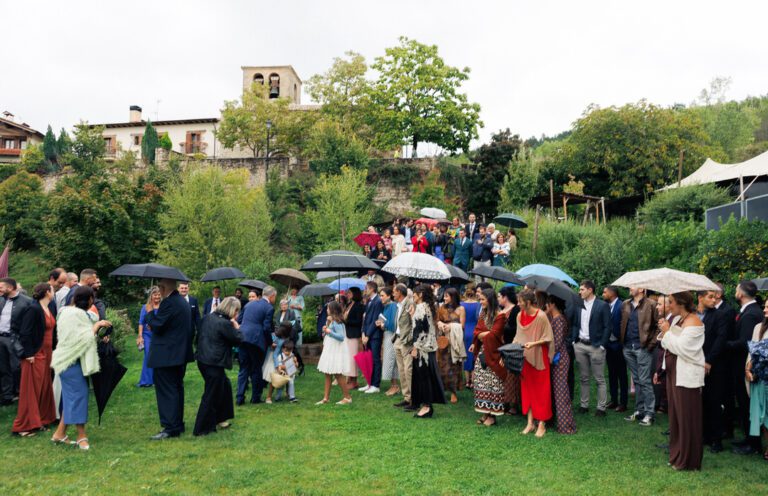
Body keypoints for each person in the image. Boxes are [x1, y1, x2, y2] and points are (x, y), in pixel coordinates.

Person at [50, 286, 111, 450]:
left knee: (72, 397)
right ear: (90, 300)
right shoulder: (70, 315)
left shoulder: (71, 313)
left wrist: (98, 329)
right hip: (70, 362)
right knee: (79, 396)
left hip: (75, 361)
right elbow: (81, 340)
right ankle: (81, 436)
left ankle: (59, 434)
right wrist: (96, 327)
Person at [657, 291, 705, 471]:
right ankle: (677, 454)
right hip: (673, 373)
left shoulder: (694, 322)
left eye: (670, 302)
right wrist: (666, 331)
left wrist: (668, 333)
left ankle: (689, 460)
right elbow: (665, 343)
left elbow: (683, 349)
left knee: (687, 418)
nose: (668, 306)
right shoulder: (678, 320)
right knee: (676, 417)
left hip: (686, 376)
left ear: (681, 303)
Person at [145, 278, 194, 440]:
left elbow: (158, 325)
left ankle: (170, 427)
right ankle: (177, 424)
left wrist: (150, 312)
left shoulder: (170, 303)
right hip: (179, 354)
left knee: (167, 391)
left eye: (159, 286)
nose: (158, 289)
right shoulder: (182, 302)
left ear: (164, 287)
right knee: (176, 389)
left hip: (167, 355)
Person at [12, 283, 57, 437]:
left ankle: (41, 419)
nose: (54, 292)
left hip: (47, 352)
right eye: (52, 290)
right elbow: (25, 332)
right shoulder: (33, 308)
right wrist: (29, 353)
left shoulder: (49, 308)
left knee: (44, 386)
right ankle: (24, 426)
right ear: (47, 292)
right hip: (35, 353)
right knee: (31, 388)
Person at [193, 296, 242, 436]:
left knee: (224, 386)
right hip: (214, 362)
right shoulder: (224, 324)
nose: (237, 314)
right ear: (232, 309)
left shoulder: (208, 317)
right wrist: (237, 327)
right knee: (211, 394)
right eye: (237, 311)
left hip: (203, 360)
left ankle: (221, 418)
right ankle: (201, 428)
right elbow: (238, 339)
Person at [728, 280, 764, 455]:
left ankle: (753, 443)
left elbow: (744, 343)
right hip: (742, 364)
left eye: (736, 290)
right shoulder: (750, 311)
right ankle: (748, 438)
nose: (735, 293)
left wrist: (724, 344)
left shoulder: (751, 314)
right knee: (744, 404)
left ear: (741, 294)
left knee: (747, 403)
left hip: (745, 366)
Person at [515, 289, 555, 437]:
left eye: (520, 301)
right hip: (525, 358)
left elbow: (548, 337)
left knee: (541, 391)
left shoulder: (542, 316)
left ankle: (542, 424)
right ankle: (530, 423)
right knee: (527, 390)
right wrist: (510, 348)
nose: (518, 304)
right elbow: (518, 336)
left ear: (528, 302)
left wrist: (534, 343)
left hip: (539, 357)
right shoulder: (520, 315)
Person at [571, 280, 611, 416]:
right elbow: (575, 323)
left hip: (596, 346)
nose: (580, 292)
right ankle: (584, 405)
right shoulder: (578, 304)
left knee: (599, 378)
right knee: (583, 377)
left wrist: (602, 345)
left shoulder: (602, 305)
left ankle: (601, 408)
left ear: (590, 290)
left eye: (582, 289)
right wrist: (574, 341)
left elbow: (607, 326)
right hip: (580, 345)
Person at [620, 287, 659, 426]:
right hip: (628, 347)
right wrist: (623, 343)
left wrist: (650, 345)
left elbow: (658, 326)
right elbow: (622, 324)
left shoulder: (652, 304)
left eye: (633, 285)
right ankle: (639, 411)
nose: (630, 287)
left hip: (643, 348)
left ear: (641, 289)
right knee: (636, 380)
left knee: (644, 381)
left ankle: (649, 413)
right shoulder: (625, 304)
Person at [471, 288, 508, 425]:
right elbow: (477, 331)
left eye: (482, 299)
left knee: (493, 384)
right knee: (482, 383)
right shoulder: (483, 315)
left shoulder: (500, 316)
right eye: (480, 299)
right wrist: (483, 334)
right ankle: (486, 413)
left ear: (490, 300)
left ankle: (493, 416)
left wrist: (482, 334)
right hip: (483, 353)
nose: (480, 302)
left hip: (494, 353)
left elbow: (495, 334)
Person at [698, 290, 728, 453]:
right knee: (701, 401)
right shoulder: (694, 315)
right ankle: (704, 435)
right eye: (710, 297)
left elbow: (720, 339)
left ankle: (717, 440)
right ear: (700, 298)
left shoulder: (720, 315)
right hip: (696, 363)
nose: (714, 299)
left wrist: (709, 361)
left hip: (714, 365)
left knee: (714, 402)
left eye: (715, 296)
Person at [409, 284, 445, 418]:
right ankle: (426, 405)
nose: (413, 295)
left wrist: (415, 347)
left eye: (415, 293)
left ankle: (426, 406)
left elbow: (419, 330)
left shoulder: (421, 308)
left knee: (424, 378)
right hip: (429, 346)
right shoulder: (429, 307)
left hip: (422, 348)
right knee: (427, 377)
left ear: (421, 294)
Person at [236, 286, 276, 406]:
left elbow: (239, 321)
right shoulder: (269, 308)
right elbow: (266, 328)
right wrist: (270, 342)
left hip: (242, 338)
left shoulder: (249, 304)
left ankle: (239, 398)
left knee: (243, 368)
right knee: (256, 369)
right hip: (256, 341)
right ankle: (255, 397)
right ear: (272, 296)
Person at [545, 294, 576, 435]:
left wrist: (549, 358)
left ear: (552, 304)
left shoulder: (558, 320)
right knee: (557, 391)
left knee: (561, 392)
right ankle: (557, 422)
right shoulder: (557, 318)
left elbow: (555, 344)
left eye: (547, 304)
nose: (546, 306)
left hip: (559, 359)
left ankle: (565, 426)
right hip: (559, 357)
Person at [0, 278, 34, 406]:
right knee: (3, 369)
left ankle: (22, 394)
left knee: (16, 368)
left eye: (1, 287)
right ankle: (7, 396)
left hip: (15, 339)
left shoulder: (27, 302)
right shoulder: (1, 300)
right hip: (1, 338)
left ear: (10, 288)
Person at [316, 301, 352, 405]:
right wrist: (326, 329)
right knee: (327, 373)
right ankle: (326, 398)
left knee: (337, 373)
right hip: (330, 348)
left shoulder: (338, 322)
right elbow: (331, 334)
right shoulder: (332, 321)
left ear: (333, 310)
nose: (326, 310)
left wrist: (329, 332)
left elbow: (341, 337)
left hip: (336, 350)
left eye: (328, 308)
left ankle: (347, 397)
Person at [745, 300, 768, 461]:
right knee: (761, 414)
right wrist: (747, 368)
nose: (765, 309)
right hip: (758, 377)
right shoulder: (758, 328)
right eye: (765, 306)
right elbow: (751, 351)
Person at [436, 288, 466, 404]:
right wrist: (440, 324)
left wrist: (451, 326)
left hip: (454, 341)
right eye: (444, 296)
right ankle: (442, 389)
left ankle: (454, 392)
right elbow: (437, 320)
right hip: (443, 341)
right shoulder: (441, 308)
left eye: (447, 296)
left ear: (453, 297)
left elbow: (462, 325)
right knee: (442, 366)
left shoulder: (461, 309)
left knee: (454, 366)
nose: (444, 298)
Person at [603, 286, 628, 412]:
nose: (603, 294)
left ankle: (623, 403)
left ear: (612, 293)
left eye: (605, 292)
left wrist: (622, 341)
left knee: (622, 374)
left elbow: (624, 323)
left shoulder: (622, 305)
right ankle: (613, 400)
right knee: (612, 373)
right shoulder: (606, 306)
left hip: (619, 344)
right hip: (609, 344)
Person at [392, 284, 416, 410]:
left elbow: (414, 323)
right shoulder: (399, 305)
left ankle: (414, 399)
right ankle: (407, 397)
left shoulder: (410, 303)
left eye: (394, 292)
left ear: (400, 293)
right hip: (397, 339)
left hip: (406, 341)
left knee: (408, 370)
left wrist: (411, 340)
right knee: (401, 370)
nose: (393, 294)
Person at [499, 286, 521, 412]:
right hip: (500, 346)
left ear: (505, 297)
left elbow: (515, 329)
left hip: (511, 345)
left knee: (512, 375)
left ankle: (513, 403)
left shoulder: (516, 310)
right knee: (503, 374)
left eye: (499, 296)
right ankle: (504, 400)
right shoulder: (501, 309)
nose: (498, 299)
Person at [376, 287, 400, 397]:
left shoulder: (393, 306)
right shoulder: (386, 307)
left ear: (389, 296)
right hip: (387, 335)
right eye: (380, 295)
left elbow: (393, 324)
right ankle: (394, 385)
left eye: (382, 295)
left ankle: (395, 386)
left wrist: (383, 324)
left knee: (391, 360)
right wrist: (380, 323)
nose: (381, 298)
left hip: (391, 336)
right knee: (390, 360)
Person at [361, 281, 384, 393]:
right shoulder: (369, 301)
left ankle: (376, 385)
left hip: (375, 336)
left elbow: (376, 320)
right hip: (368, 335)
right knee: (369, 360)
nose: (365, 290)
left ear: (372, 289)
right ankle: (369, 383)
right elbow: (366, 319)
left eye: (366, 288)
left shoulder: (378, 301)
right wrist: (363, 333)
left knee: (375, 359)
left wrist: (368, 335)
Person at [262, 322, 293, 404]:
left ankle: (287, 393)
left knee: (287, 375)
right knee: (273, 378)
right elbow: (275, 354)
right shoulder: (281, 340)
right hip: (275, 359)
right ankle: (268, 397)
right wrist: (277, 366)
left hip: (277, 357)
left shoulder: (274, 334)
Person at [137, 286, 161, 388]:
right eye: (155, 294)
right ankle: (147, 380)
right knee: (148, 356)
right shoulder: (145, 307)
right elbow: (141, 323)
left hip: (159, 335)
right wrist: (140, 336)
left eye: (159, 294)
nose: (157, 296)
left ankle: (157, 380)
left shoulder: (163, 306)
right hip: (147, 335)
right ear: (151, 296)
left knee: (158, 356)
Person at [343, 287, 365, 389]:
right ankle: (349, 379)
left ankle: (354, 381)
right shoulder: (348, 304)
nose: (348, 294)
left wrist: (346, 321)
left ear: (355, 294)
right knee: (348, 358)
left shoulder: (359, 306)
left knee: (353, 359)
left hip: (354, 334)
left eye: (350, 293)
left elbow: (358, 321)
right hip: (347, 334)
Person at [460, 285, 481, 388]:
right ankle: (473, 381)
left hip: (464, 331)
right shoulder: (478, 304)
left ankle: (467, 381)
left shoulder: (461, 304)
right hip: (475, 330)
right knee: (473, 355)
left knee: (466, 355)